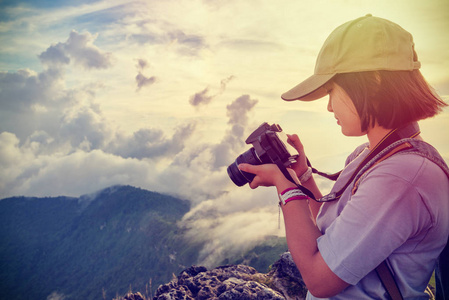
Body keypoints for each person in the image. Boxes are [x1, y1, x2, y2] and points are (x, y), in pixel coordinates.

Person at [238, 14, 449, 299]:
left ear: (373, 82)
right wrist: (302, 177)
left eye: (331, 91)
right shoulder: (371, 155)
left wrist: (285, 187)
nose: (328, 106)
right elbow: (333, 236)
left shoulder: (401, 177)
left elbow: (319, 280)